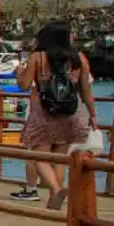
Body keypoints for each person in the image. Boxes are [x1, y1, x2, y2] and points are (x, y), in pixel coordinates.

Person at [12, 21, 98, 209]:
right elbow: (86, 92)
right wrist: (92, 115)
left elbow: (24, 85)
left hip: (44, 113)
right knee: (60, 157)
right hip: (71, 113)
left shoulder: (38, 57)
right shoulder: (79, 58)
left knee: (38, 154)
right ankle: (55, 196)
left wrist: (19, 72)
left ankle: (56, 190)